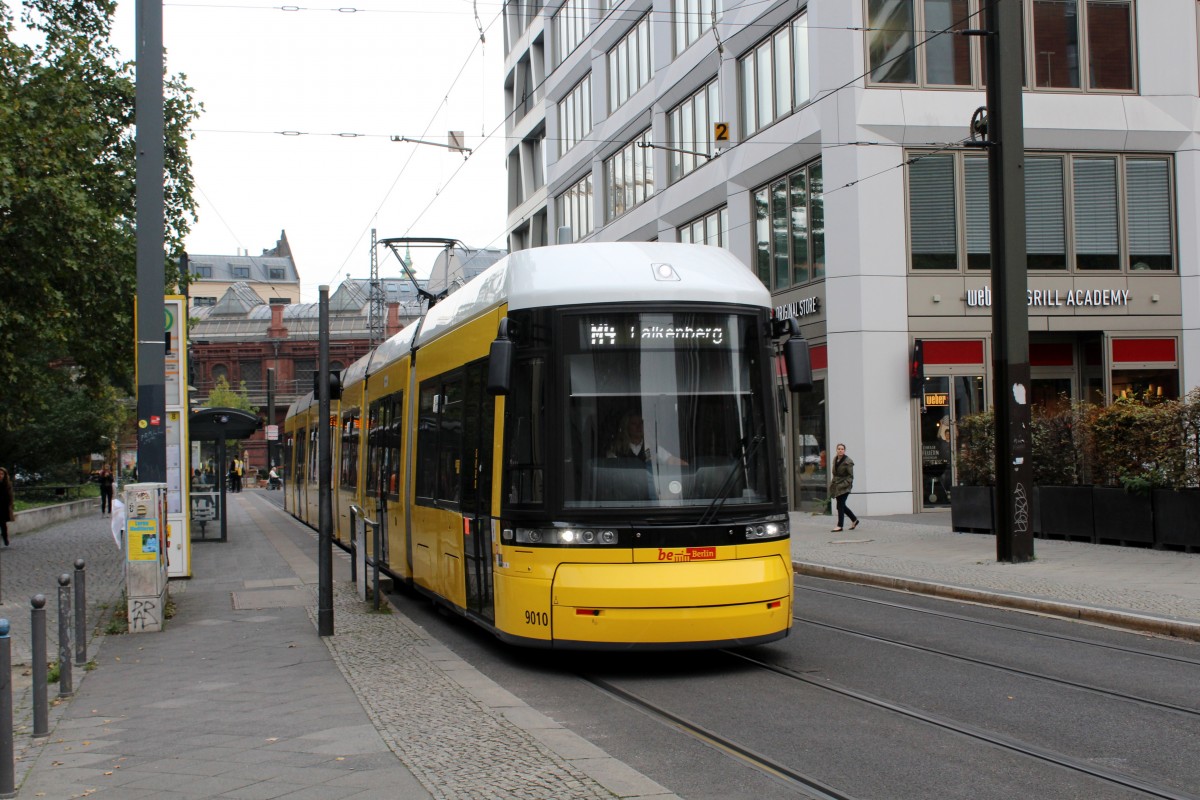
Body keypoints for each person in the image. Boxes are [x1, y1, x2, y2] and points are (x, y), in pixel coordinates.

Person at [606, 412, 686, 466]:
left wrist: (687, 466)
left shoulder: (651, 448)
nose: (639, 427)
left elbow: (671, 460)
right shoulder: (617, 449)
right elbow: (612, 470)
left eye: (641, 423)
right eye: (634, 424)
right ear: (626, 426)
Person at [830, 443, 860, 532]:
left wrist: (843, 485)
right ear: (836, 450)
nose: (840, 450)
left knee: (840, 505)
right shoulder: (835, 459)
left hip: (845, 486)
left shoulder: (848, 461)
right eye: (838, 449)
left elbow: (850, 477)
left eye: (842, 449)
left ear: (844, 450)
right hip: (837, 485)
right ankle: (854, 520)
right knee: (841, 505)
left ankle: (840, 525)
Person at [0, 467, 13, 546]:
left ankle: (5, 538)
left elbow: (10, 496)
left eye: (2, 474)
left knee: (3, 524)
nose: (0, 475)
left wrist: (10, 505)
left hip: (3, 506)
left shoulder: (7, 484)